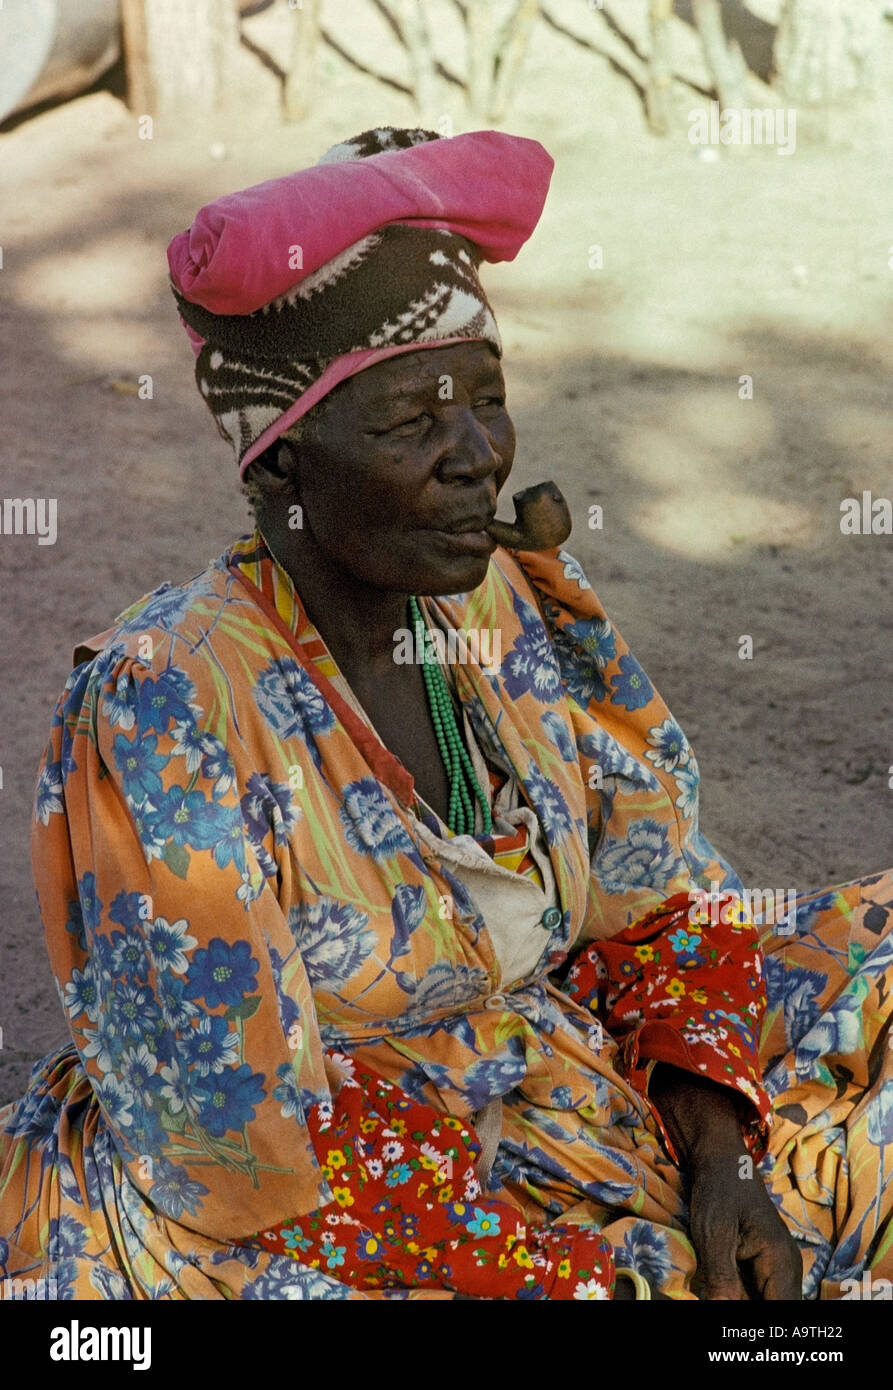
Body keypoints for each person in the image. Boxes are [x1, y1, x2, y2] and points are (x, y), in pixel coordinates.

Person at [1, 127, 890, 1302]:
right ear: (281, 469)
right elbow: (229, 1142)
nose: (478, 457)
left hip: (558, 1071)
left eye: (486, 401)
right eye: (412, 423)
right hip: (326, 1194)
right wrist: (585, 1263)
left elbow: (651, 909)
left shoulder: (498, 605)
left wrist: (722, 1160)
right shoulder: (167, 701)